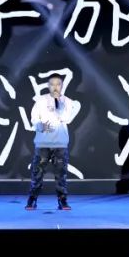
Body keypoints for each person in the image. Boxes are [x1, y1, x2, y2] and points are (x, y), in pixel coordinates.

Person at [26, 73, 81, 211]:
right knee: (37, 172)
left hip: (60, 143)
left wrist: (59, 105)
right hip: (43, 143)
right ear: (48, 86)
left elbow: (67, 118)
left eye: (58, 84)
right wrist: (41, 126)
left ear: (61, 86)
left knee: (61, 174)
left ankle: (62, 200)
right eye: (52, 84)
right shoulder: (40, 101)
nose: (55, 87)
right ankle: (32, 198)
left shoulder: (67, 102)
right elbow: (33, 119)